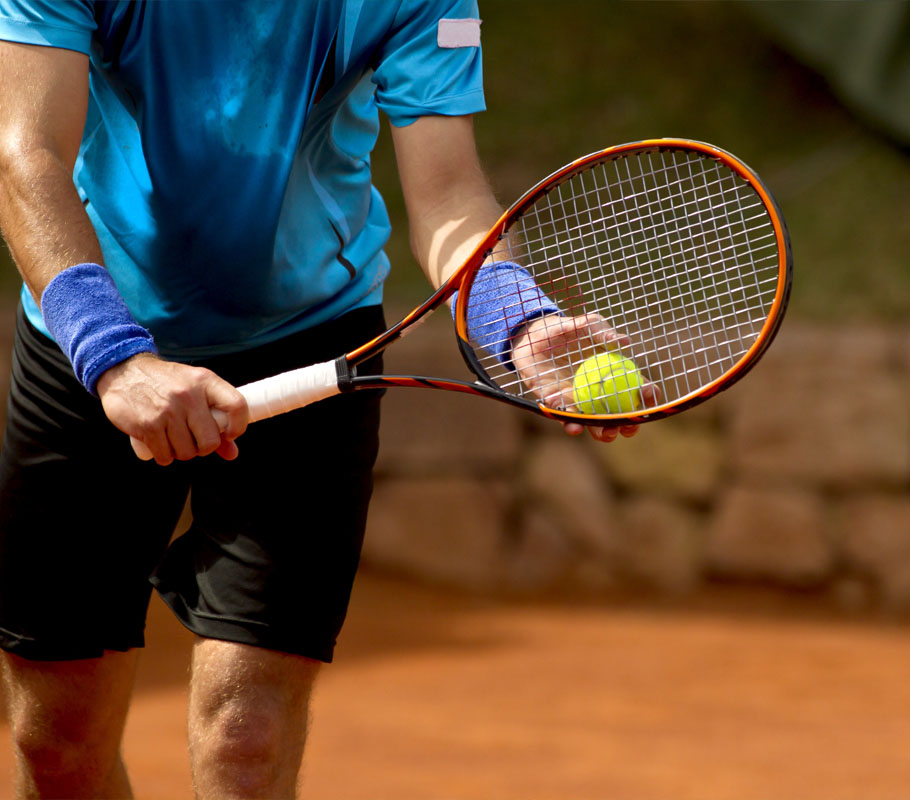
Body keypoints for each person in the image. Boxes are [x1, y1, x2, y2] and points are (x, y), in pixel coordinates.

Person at [0, 2, 637, 797]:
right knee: (52, 745)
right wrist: (115, 359)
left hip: (311, 338)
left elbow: (448, 200)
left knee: (247, 738)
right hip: (91, 341)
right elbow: (27, 154)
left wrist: (517, 320)